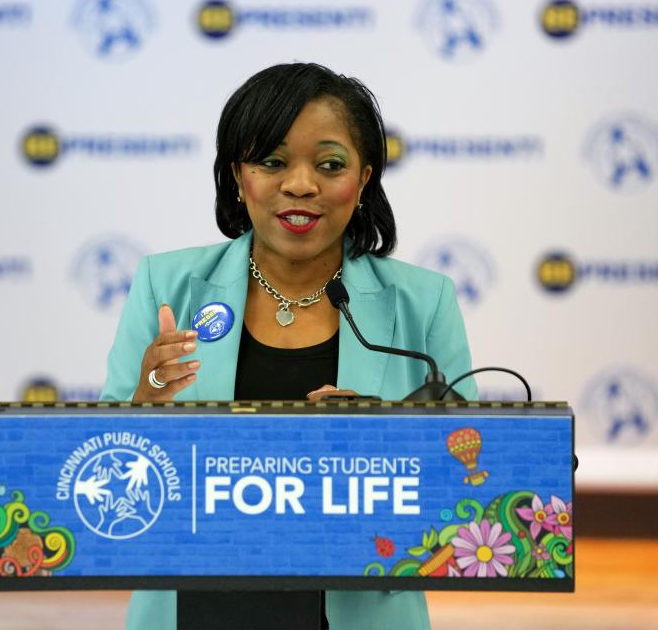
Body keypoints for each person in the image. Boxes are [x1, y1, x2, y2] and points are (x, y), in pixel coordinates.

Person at [100, 62, 478, 630]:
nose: (300, 184)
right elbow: (101, 467)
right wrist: (145, 398)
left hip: (360, 610)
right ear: (237, 174)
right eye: (272, 162)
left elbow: (469, 486)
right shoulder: (166, 287)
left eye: (329, 164)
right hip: (193, 606)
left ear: (365, 177)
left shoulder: (422, 303)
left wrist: (381, 437)